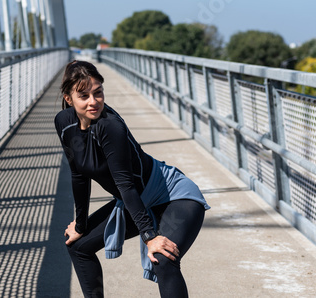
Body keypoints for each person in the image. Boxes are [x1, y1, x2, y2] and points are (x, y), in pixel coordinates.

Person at [54, 60, 210, 298]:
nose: (93, 101)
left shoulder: (110, 126)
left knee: (162, 259)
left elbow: (125, 185)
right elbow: (78, 174)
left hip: (172, 196)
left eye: (98, 93)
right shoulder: (64, 123)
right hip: (135, 200)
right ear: (69, 98)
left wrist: (150, 237)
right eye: (83, 96)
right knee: (77, 246)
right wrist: (81, 224)